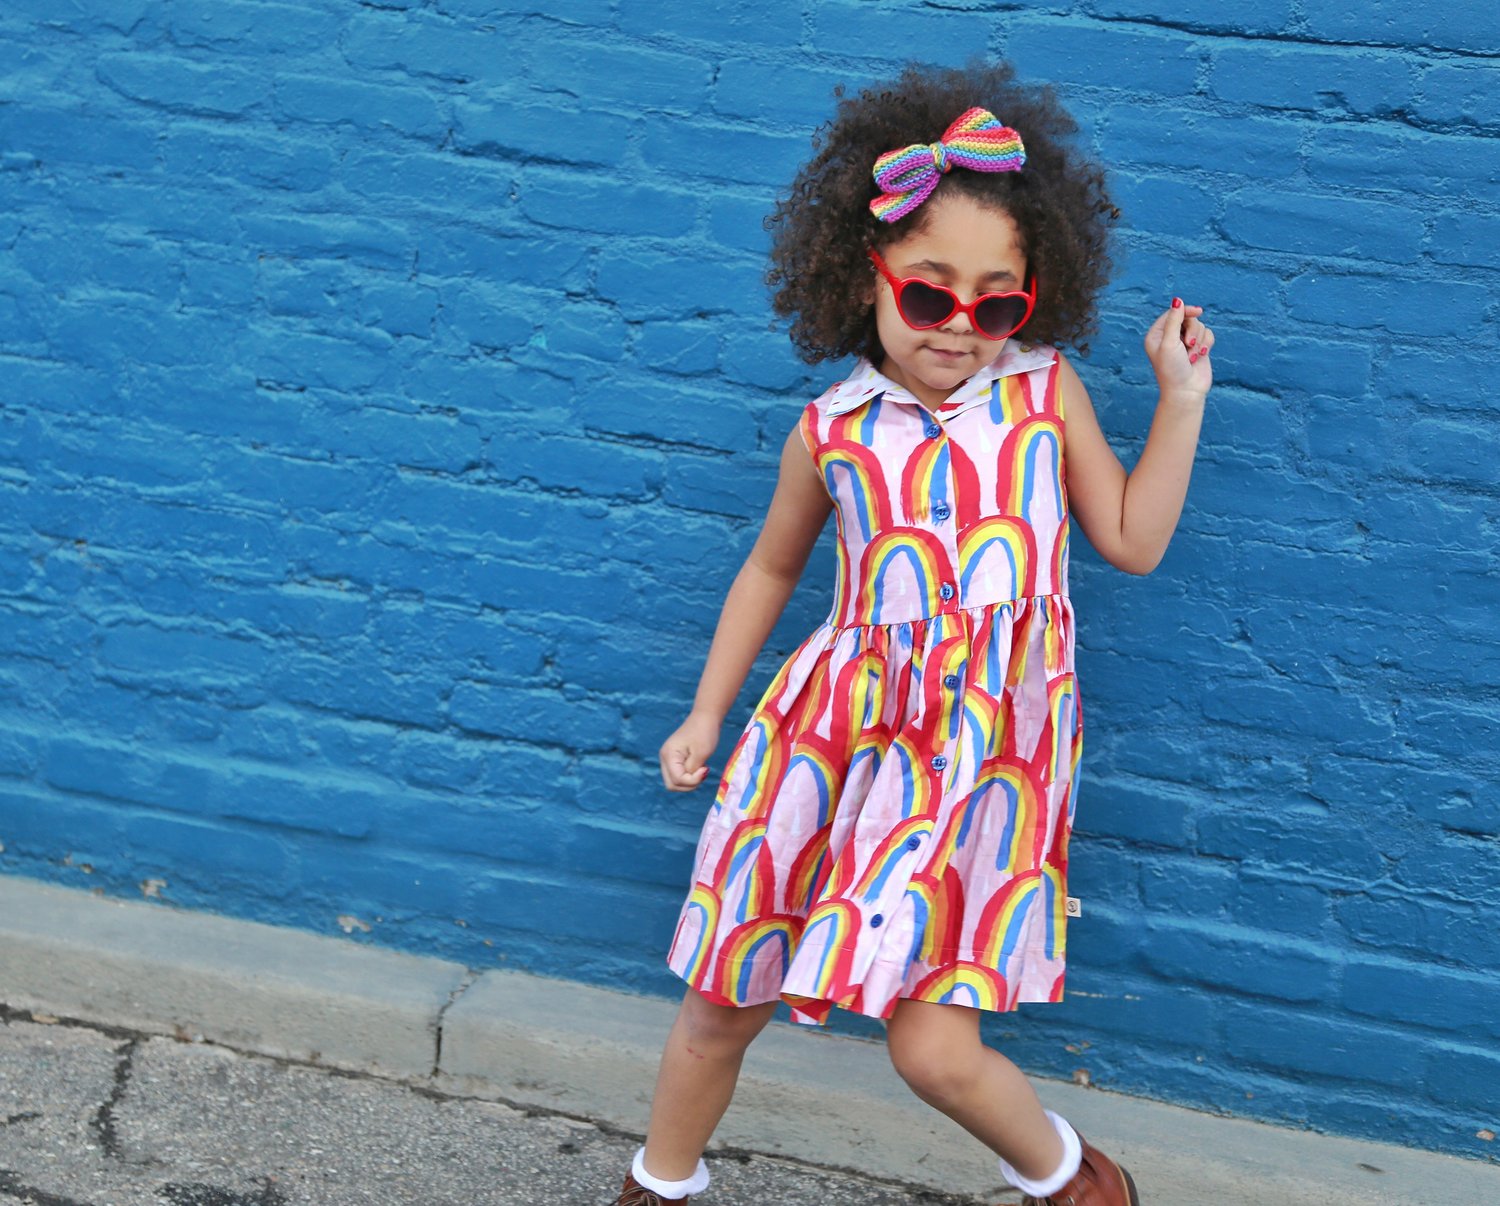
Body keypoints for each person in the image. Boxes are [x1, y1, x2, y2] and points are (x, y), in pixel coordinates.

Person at [611, 59, 1213, 1206]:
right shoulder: (830, 428)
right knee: (721, 997)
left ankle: (1079, 1182)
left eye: (998, 301)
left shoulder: (1044, 397)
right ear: (864, 277)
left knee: (932, 1051)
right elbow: (772, 566)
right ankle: (659, 1184)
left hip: (981, 758)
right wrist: (707, 708)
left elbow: (1131, 540)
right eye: (930, 294)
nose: (963, 327)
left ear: (1034, 300)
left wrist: (1179, 403)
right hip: (829, 737)